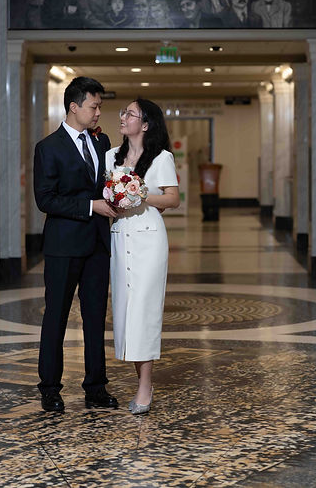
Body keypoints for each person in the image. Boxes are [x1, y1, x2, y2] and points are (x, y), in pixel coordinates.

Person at [33, 76, 119, 413]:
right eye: (94, 106)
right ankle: (50, 389)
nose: (98, 113)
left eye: (100, 107)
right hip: (63, 245)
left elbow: (106, 184)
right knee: (56, 317)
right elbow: (45, 199)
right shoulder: (48, 147)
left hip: (97, 244)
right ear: (74, 107)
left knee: (96, 317)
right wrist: (90, 206)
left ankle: (96, 386)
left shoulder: (102, 142)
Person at [107, 99, 180, 414]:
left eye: (130, 113)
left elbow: (173, 199)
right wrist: (115, 197)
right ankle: (142, 379)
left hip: (150, 239)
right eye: (123, 112)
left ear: (146, 124)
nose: (123, 117)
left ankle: (145, 385)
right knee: (125, 312)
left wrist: (140, 192)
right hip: (120, 235)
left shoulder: (162, 158)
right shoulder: (111, 156)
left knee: (143, 311)